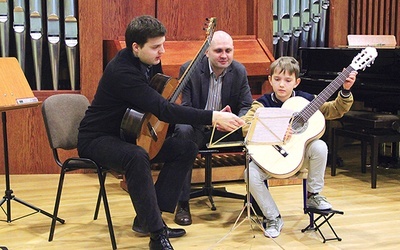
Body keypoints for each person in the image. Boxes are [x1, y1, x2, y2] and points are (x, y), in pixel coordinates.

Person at [77, 15, 244, 250]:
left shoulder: (149, 60)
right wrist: (213, 116)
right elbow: (163, 109)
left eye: (163, 44)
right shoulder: (122, 71)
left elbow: (160, 98)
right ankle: (157, 235)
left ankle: (148, 219)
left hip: (129, 132)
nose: (162, 51)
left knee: (186, 147)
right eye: (156, 46)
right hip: (98, 138)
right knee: (136, 156)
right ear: (136, 47)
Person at [241, 56, 357, 238]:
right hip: (271, 159)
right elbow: (246, 126)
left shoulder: (306, 101)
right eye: (277, 79)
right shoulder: (262, 103)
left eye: (288, 80)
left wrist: (345, 91)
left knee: (319, 146)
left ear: (297, 82)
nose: (282, 85)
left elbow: (334, 110)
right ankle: (273, 217)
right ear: (270, 80)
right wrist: (277, 130)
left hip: (300, 158)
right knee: (250, 173)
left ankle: (314, 195)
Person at [172, 30, 253, 226]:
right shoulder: (189, 69)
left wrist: (236, 120)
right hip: (198, 127)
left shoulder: (239, 70)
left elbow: (247, 106)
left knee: (255, 129)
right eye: (218, 51)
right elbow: (186, 109)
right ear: (206, 52)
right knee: (182, 131)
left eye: (228, 50)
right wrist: (213, 119)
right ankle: (182, 203)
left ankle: (255, 203)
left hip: (227, 130)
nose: (224, 55)